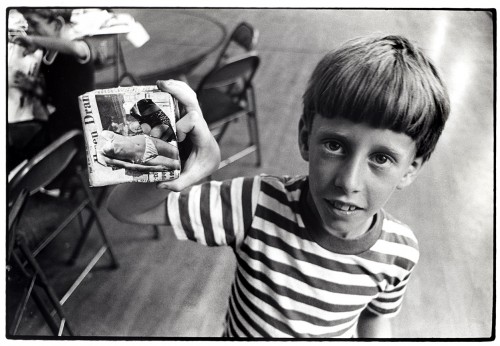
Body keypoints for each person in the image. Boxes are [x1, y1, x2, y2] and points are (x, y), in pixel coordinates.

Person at [104, 34, 450, 338]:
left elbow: (376, 318)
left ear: (410, 169)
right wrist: (181, 163)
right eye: (334, 145)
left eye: (382, 158)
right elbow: (124, 207)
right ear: (305, 138)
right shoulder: (254, 204)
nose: (348, 181)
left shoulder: (401, 253)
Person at [12, 8, 95, 143]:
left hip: (78, 130)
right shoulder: (47, 54)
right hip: (61, 122)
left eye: (34, 24)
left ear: (57, 25)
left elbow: (76, 48)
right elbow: (55, 95)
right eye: (27, 24)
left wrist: (35, 40)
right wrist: (32, 86)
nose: (29, 30)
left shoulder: (78, 47)